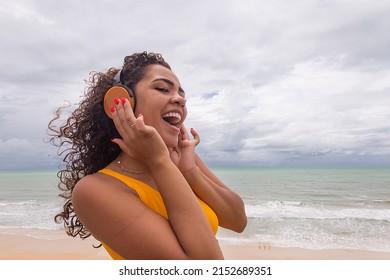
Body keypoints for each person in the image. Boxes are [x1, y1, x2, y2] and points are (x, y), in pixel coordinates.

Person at [48, 51, 247, 260]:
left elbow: (238, 220)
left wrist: (190, 172)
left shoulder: (181, 160)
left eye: (182, 95)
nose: (180, 100)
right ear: (120, 101)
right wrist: (159, 162)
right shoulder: (94, 190)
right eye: (162, 88)